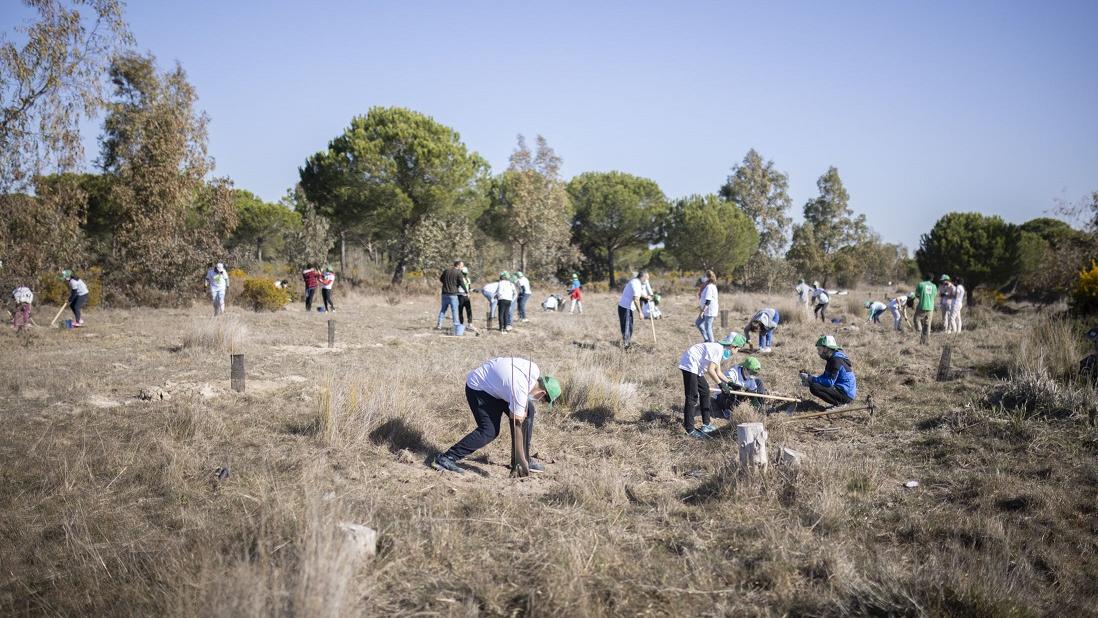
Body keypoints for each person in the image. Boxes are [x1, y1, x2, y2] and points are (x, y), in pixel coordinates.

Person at [433, 357, 561, 475]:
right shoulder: (519, 390)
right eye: (543, 401)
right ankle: (447, 458)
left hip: (497, 386)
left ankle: (519, 459)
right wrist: (522, 461)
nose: (540, 402)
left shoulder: (533, 370)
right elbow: (517, 425)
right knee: (489, 430)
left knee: (529, 410)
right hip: (479, 388)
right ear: (542, 393)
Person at [678, 332, 744, 438]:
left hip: (696, 368)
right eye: (738, 349)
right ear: (733, 346)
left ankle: (706, 424)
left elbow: (718, 372)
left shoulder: (721, 349)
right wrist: (721, 385)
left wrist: (730, 383)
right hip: (689, 364)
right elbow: (710, 370)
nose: (737, 351)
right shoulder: (718, 349)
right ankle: (689, 430)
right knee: (692, 397)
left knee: (705, 391)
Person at [799, 335, 857, 407]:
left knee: (814, 387)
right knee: (814, 385)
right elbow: (825, 377)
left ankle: (839, 404)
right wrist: (810, 380)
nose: (818, 353)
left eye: (819, 350)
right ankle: (839, 403)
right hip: (842, 390)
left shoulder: (836, 361)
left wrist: (812, 379)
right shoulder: (832, 359)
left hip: (846, 394)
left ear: (826, 348)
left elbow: (829, 382)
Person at [713, 355, 766, 419]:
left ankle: (761, 405)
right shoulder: (733, 373)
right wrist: (736, 388)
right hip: (722, 396)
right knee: (732, 394)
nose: (752, 374)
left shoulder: (751, 378)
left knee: (758, 382)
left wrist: (757, 407)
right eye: (751, 371)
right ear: (745, 368)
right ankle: (727, 410)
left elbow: (753, 395)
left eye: (754, 372)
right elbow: (726, 387)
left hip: (739, 396)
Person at [617, 271, 651, 348]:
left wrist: (645, 297)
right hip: (626, 308)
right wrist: (640, 313)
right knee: (627, 328)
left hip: (625, 308)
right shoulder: (636, 283)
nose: (647, 281)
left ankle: (627, 344)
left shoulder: (636, 282)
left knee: (629, 327)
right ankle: (626, 347)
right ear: (643, 277)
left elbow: (638, 293)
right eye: (646, 279)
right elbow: (636, 299)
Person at [436, 260, 465, 329]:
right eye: (462, 266)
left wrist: (446, 283)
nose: (462, 267)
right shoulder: (458, 272)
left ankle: (439, 325)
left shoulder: (446, 270)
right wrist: (466, 291)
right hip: (453, 294)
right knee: (454, 310)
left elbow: (441, 279)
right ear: (458, 265)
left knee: (443, 309)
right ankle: (456, 325)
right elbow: (462, 283)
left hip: (444, 293)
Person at [913, 274, 938, 344]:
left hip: (922, 306)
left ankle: (920, 331)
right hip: (930, 307)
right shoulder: (934, 286)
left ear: (925, 278)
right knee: (927, 324)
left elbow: (916, 294)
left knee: (916, 319)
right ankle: (925, 341)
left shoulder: (920, 284)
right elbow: (934, 295)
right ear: (932, 279)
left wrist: (921, 297)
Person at [695, 270, 719, 343]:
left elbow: (708, 301)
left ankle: (712, 344)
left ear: (708, 277)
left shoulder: (710, 287)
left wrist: (702, 311)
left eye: (704, 276)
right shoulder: (707, 286)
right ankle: (707, 339)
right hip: (706, 309)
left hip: (709, 310)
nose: (703, 278)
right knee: (698, 323)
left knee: (708, 327)